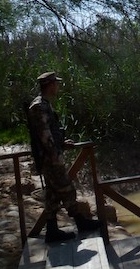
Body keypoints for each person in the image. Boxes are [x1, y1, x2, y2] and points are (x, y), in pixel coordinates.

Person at [27, 72, 101, 243]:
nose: (58, 87)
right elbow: (44, 135)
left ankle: (52, 230)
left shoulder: (44, 104)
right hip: (49, 158)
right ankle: (80, 222)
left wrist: (60, 142)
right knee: (67, 188)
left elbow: (49, 132)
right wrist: (55, 154)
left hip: (50, 155)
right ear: (50, 85)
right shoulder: (39, 106)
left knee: (53, 195)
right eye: (56, 84)